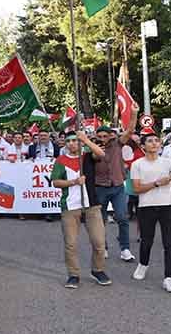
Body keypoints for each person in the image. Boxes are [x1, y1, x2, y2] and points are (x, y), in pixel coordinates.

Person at [51, 131, 111, 288]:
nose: (72, 143)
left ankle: (98, 270)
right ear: (65, 143)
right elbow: (56, 182)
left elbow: (101, 154)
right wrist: (74, 182)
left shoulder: (87, 157)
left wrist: (86, 140)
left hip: (91, 205)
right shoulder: (61, 160)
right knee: (70, 243)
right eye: (69, 141)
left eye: (75, 140)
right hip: (70, 206)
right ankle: (73, 274)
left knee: (99, 242)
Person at [130, 132, 171, 293]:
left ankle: (169, 278)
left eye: (156, 140)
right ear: (143, 146)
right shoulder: (137, 164)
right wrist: (156, 183)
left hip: (167, 206)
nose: (154, 143)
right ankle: (143, 264)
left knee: (169, 243)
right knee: (146, 240)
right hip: (146, 207)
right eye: (150, 141)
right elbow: (136, 188)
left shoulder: (168, 163)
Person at [94, 113, 138, 262]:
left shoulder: (118, 143)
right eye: (99, 136)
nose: (102, 139)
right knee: (101, 220)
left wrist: (134, 112)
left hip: (118, 186)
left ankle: (125, 249)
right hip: (99, 187)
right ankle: (103, 247)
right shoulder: (91, 147)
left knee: (122, 217)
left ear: (110, 136)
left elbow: (130, 130)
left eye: (105, 136)